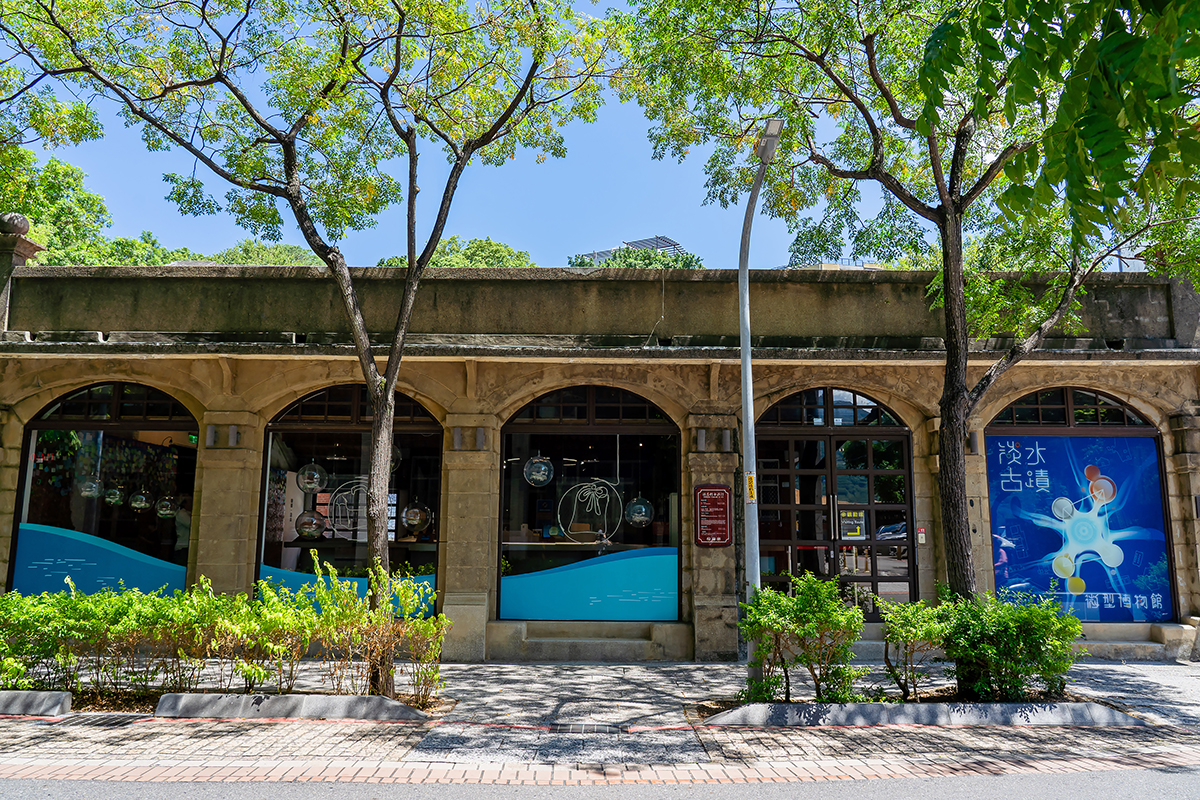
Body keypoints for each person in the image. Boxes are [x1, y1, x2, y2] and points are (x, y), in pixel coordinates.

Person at [173, 495, 192, 565]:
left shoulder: (188, 514)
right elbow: (191, 524)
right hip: (183, 547)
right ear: (184, 504)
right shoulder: (181, 514)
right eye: (190, 502)